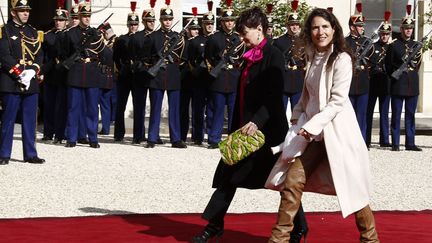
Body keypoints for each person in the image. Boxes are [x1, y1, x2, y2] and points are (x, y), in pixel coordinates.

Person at [268, 8, 380, 243]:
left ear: (334, 29)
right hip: (313, 134)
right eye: (316, 27)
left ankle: (370, 239)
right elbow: (307, 96)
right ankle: (279, 239)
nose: (321, 32)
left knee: (353, 187)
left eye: (325, 27)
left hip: (337, 132)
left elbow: (337, 101)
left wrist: (311, 126)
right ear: (310, 31)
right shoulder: (311, 56)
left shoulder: (342, 58)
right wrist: (297, 116)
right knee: (292, 181)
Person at [192, 7, 288, 242]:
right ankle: (214, 224)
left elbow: (274, 96)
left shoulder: (274, 55)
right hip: (246, 129)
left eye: (245, 32)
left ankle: (297, 228)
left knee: (282, 182)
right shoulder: (250, 54)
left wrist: (257, 121)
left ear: (259, 29)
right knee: (230, 173)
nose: (242, 37)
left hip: (266, 131)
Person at [0, 0, 45, 165]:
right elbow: (4, 56)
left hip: (30, 82)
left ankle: (30, 154)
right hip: (11, 81)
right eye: (22, 10)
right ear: (13, 12)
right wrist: (20, 74)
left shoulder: (33, 32)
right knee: (8, 119)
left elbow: (40, 55)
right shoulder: (4, 30)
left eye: (27, 10)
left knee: (30, 120)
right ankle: (4, 154)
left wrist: (33, 70)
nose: (26, 13)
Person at [62, 1, 108, 148]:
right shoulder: (70, 34)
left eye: (89, 16)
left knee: (93, 108)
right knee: (73, 107)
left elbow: (104, 54)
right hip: (75, 72)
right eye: (84, 16)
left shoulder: (95, 34)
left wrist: (97, 38)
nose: (87, 18)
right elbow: (64, 53)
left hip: (92, 72)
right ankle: (72, 138)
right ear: (79, 16)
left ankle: (93, 138)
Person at [145, 0, 187, 148]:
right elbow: (146, 58)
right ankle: (152, 138)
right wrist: (156, 64)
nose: (167, 22)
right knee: (155, 108)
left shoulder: (178, 37)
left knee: (174, 109)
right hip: (157, 76)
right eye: (165, 19)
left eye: (170, 19)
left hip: (173, 75)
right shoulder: (153, 37)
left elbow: (183, 59)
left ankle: (175, 138)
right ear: (161, 20)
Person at [205, 0, 245, 149]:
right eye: (226, 21)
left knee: (234, 112)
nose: (229, 23)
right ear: (221, 22)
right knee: (218, 111)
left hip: (234, 77)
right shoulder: (214, 38)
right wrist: (214, 69)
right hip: (219, 79)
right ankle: (214, 139)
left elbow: (243, 58)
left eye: (231, 21)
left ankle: (232, 139)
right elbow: (208, 57)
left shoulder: (240, 39)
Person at [385, 4, 422, 152]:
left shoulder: (416, 45)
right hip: (398, 84)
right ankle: (395, 143)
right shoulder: (394, 45)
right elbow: (388, 65)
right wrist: (396, 75)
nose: (408, 30)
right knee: (396, 115)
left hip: (412, 84)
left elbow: (417, 65)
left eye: (410, 28)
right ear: (401, 29)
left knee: (410, 115)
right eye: (406, 28)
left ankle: (410, 143)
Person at [128, 0, 157, 144]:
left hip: (155, 76)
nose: (151, 23)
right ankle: (138, 135)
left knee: (155, 107)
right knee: (139, 106)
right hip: (140, 74)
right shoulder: (136, 37)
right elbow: (132, 56)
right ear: (144, 22)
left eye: (153, 20)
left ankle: (154, 135)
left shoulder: (158, 36)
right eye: (149, 21)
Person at [40, 2, 69, 144]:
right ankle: (48, 133)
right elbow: (43, 55)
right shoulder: (48, 36)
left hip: (63, 75)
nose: (58, 22)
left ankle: (60, 134)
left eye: (61, 20)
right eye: (57, 20)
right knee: (49, 105)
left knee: (61, 106)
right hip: (50, 73)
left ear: (66, 22)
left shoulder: (69, 36)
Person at [186, 2, 214, 146]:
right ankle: (197, 136)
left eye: (211, 23)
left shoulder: (216, 39)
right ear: (203, 25)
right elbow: (189, 60)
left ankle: (210, 136)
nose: (209, 26)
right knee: (198, 109)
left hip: (213, 79)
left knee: (211, 109)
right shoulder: (196, 41)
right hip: (199, 79)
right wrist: (195, 71)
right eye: (207, 23)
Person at [345, 1, 372, 143]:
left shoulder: (368, 43)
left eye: (362, 26)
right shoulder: (344, 43)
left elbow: (373, 62)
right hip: (348, 85)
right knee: (348, 117)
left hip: (362, 84)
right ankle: (348, 142)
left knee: (361, 116)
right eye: (359, 26)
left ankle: (361, 142)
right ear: (352, 27)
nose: (362, 28)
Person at [113, 1, 141, 142]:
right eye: (131, 24)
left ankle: (138, 135)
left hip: (137, 76)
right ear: (127, 25)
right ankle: (118, 134)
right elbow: (115, 58)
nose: (133, 26)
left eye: (135, 24)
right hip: (124, 75)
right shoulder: (121, 39)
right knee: (120, 106)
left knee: (138, 106)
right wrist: (121, 69)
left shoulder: (142, 39)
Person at [366, 11, 392, 148]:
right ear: (379, 34)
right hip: (373, 83)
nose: (385, 36)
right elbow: (367, 62)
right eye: (383, 34)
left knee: (384, 113)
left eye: (387, 34)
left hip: (386, 84)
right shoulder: (372, 46)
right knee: (368, 113)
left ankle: (384, 140)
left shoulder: (392, 48)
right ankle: (367, 140)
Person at [273, 0, 305, 112]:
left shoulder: (304, 42)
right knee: (280, 112)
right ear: (287, 25)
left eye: (296, 24)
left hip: (299, 81)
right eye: (292, 24)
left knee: (297, 114)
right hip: (284, 81)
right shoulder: (279, 41)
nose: (294, 27)